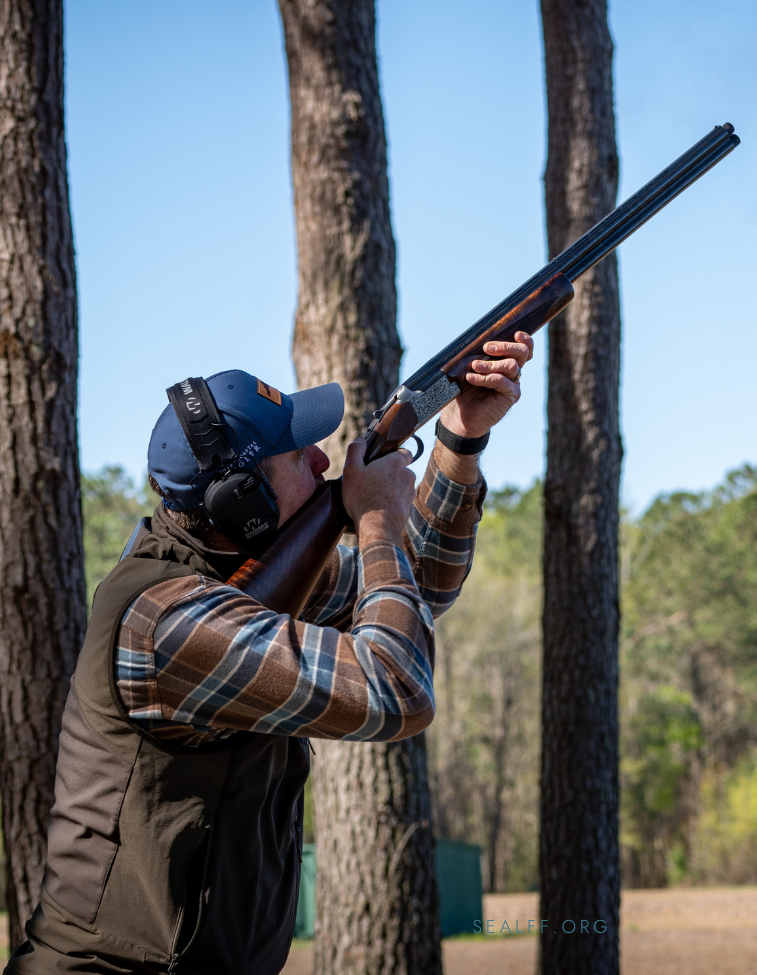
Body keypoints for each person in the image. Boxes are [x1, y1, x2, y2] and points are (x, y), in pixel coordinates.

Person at [6, 333, 534, 975]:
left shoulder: (232, 574)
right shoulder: (165, 621)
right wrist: (374, 523)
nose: (321, 459)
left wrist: (458, 436)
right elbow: (396, 690)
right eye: (295, 453)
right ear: (241, 501)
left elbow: (414, 588)